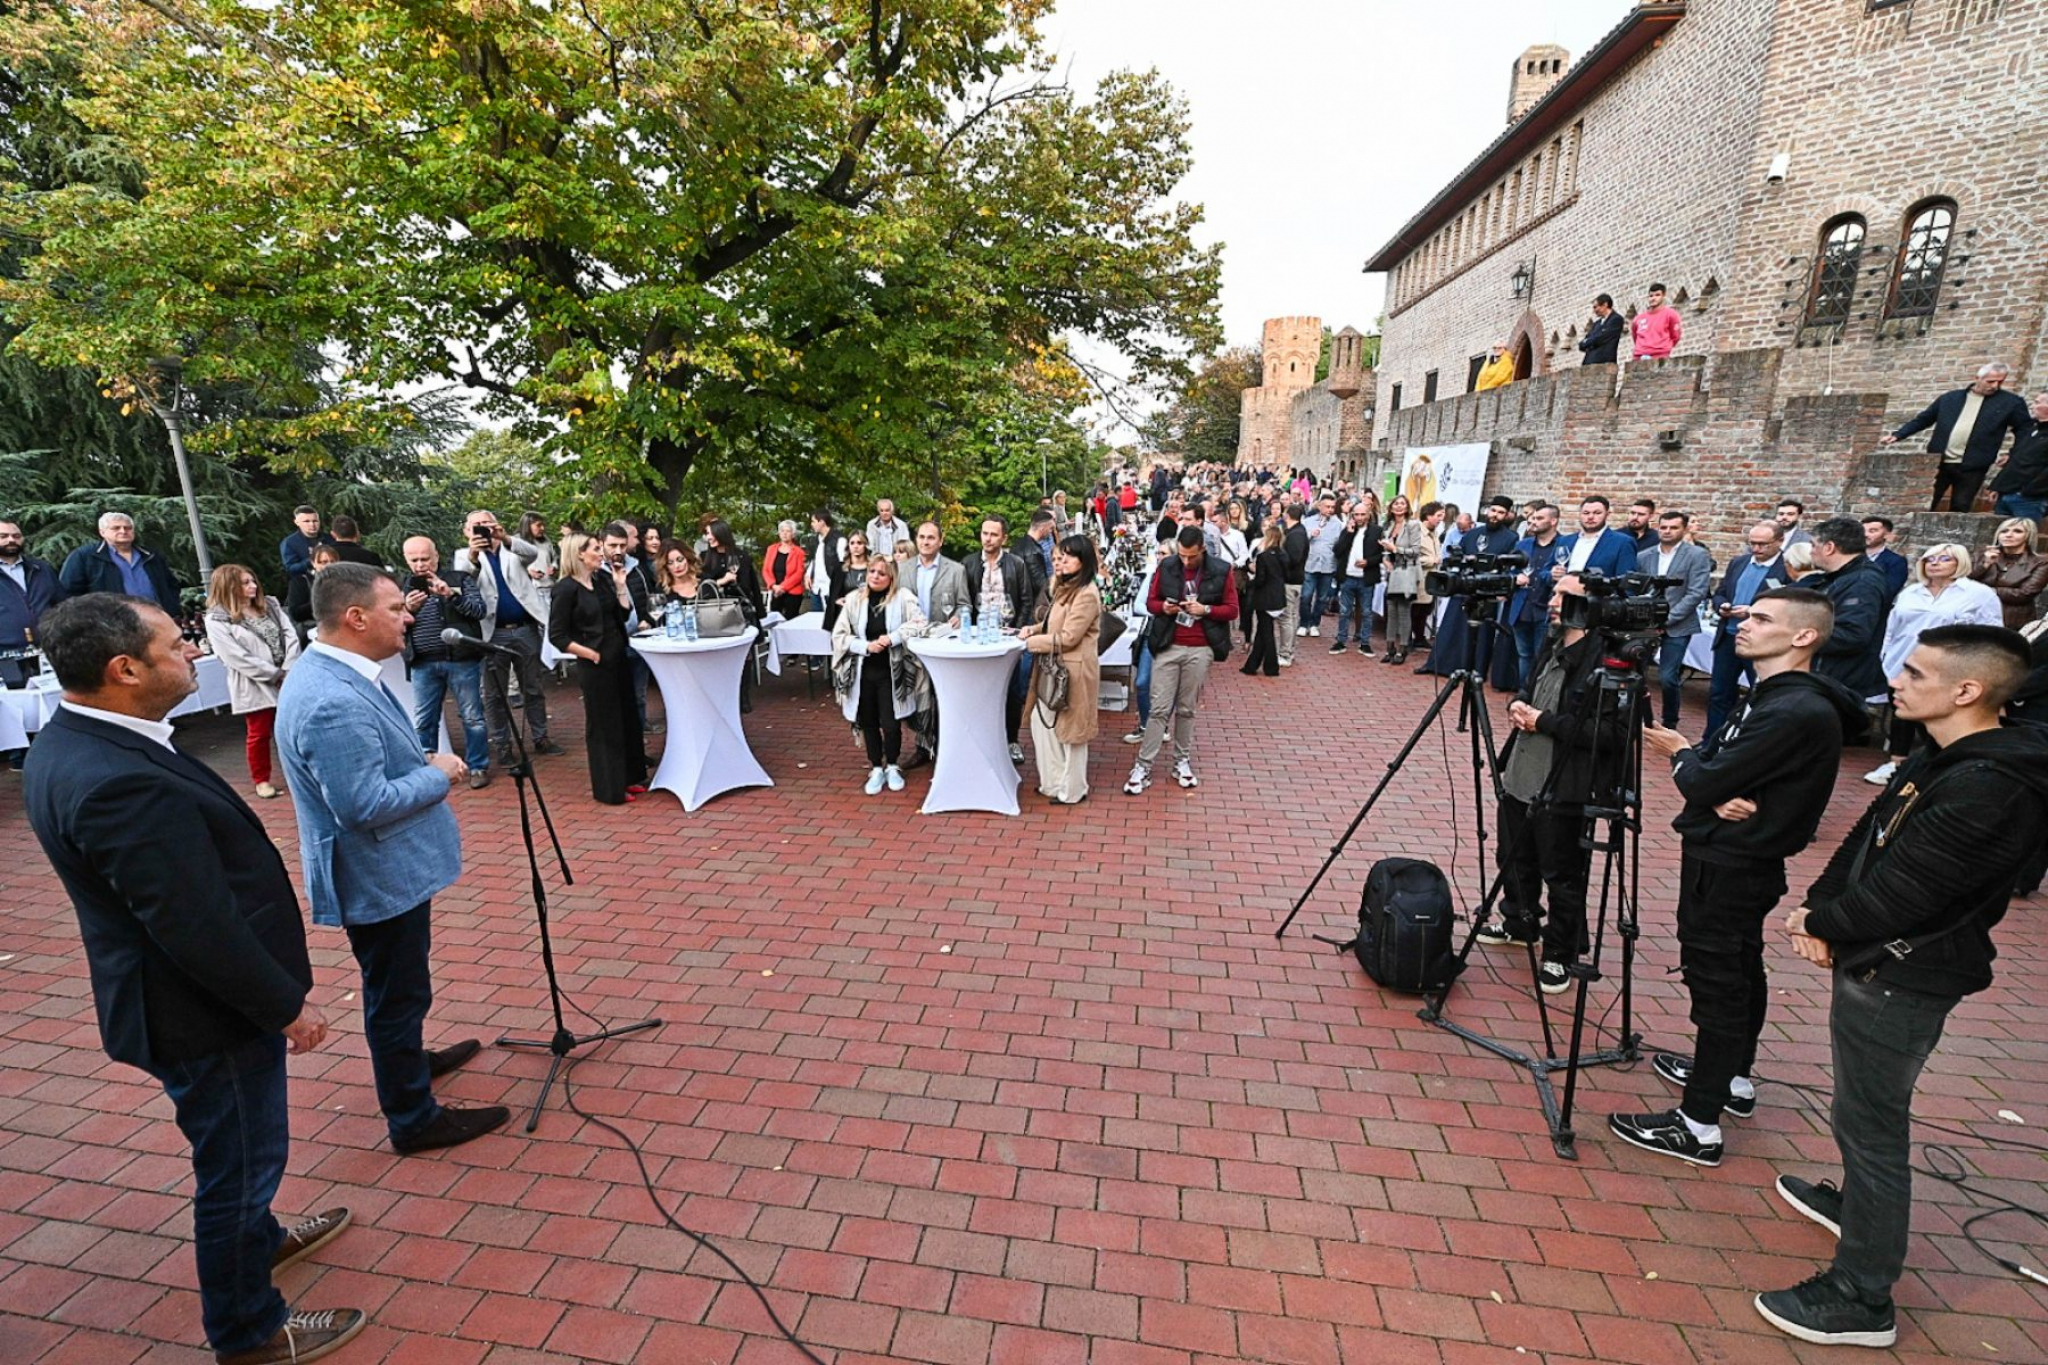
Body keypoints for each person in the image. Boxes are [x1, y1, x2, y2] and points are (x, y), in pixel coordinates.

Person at [23, 594, 366, 1365]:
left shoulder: (83, 736)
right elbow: (193, 923)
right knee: (238, 1165)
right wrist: (285, 1008)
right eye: (180, 646)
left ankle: (264, 1238)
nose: (194, 656)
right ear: (125, 668)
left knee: (241, 1156)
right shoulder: (116, 778)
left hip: (184, 1000)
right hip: (201, 1015)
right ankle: (247, 1327)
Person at [1757, 626, 2048, 1348]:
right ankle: (1855, 1202)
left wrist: (1826, 923)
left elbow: (1907, 894)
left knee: (1872, 1124)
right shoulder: (1944, 752)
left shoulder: (1989, 784)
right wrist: (1816, 907)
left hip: (1905, 973)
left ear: (1967, 690)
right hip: (1875, 957)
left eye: (1915, 672)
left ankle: (1862, 1293)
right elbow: (1870, 834)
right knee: (1862, 1111)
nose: (1898, 679)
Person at [1608, 588, 1857, 1167]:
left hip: (1735, 864)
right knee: (1741, 965)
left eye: (1761, 619)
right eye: (1748, 614)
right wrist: (1712, 780)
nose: (1742, 624)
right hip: (1730, 856)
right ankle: (1732, 1078)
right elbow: (1719, 773)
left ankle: (1697, 1124)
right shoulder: (1771, 695)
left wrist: (1680, 753)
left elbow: (1702, 778)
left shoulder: (1795, 709)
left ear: (1803, 636)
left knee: (1719, 980)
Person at [276, 563, 508, 1155]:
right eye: (395, 610)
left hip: (385, 866)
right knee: (396, 992)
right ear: (355, 618)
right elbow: (362, 804)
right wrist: (436, 775)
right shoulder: (330, 697)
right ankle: (412, 1115)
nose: (409, 618)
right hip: (375, 871)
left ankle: (410, 1061)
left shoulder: (340, 672)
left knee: (402, 986)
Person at [1474, 573, 1629, 992]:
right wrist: (1518, 705)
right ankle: (1520, 922)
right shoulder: (1552, 642)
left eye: (1566, 595)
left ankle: (1561, 953)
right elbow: (1528, 690)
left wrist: (1545, 721)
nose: (1553, 601)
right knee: (1514, 855)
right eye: (1555, 593)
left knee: (1560, 871)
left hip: (1565, 784)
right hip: (1523, 772)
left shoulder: (1606, 661)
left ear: (1592, 607)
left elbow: (1613, 735)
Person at [1866, 542, 2005, 785]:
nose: (1935, 563)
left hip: (1948, 664)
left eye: (1944, 559)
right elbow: (1893, 627)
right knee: (1902, 712)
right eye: (1930, 559)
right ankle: (1896, 762)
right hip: (1903, 660)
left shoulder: (1978, 594)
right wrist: (1887, 656)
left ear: (1959, 562)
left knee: (1936, 713)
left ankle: (1938, 762)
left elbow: (1991, 632)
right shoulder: (1911, 592)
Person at [1124, 525, 1237, 794]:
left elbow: (1232, 609)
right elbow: (1151, 602)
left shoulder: (1221, 570)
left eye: (1192, 556)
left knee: (1187, 708)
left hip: (1200, 646)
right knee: (1159, 708)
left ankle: (1181, 760)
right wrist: (1164, 607)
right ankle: (1143, 765)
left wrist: (1206, 609)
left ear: (1202, 550)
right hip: (1169, 643)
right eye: (1183, 556)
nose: (1186, 561)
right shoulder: (1167, 566)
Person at [548, 532, 650, 805]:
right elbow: (557, 636)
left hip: (618, 656)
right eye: (595, 548)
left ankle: (630, 777)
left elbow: (623, 615)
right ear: (579, 553)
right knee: (605, 727)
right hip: (595, 665)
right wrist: (589, 654)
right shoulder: (566, 589)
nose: (601, 552)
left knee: (628, 719)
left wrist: (619, 586)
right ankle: (610, 789)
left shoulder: (602, 579)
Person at [454, 509, 562, 765]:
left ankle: (541, 736)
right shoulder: (463, 555)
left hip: (524, 628)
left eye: (487, 523)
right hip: (492, 633)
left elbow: (533, 554)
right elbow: (463, 580)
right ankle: (503, 744)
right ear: (467, 531)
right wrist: (473, 554)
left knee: (533, 687)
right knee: (495, 694)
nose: (483, 528)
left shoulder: (510, 548)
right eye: (476, 525)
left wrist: (505, 538)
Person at [399, 535, 492, 789]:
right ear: (406, 560)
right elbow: (392, 623)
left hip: (461, 660)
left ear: (437, 556)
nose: (420, 565)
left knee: (472, 716)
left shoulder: (459, 579)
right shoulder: (402, 586)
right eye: (414, 560)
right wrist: (407, 609)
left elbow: (479, 610)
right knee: (424, 719)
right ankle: (425, 769)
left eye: (425, 558)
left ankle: (478, 766)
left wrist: (451, 595)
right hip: (422, 663)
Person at [830, 558, 929, 794]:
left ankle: (893, 765)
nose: (875, 576)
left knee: (891, 722)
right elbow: (839, 635)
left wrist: (893, 637)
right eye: (872, 571)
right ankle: (876, 766)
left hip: (891, 672)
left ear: (891, 577)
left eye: (881, 573)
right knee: (868, 721)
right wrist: (864, 646)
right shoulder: (855, 599)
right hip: (863, 670)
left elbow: (920, 622)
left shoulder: (903, 597)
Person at [203, 564, 302, 800]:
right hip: (254, 683)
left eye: (252, 581)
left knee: (292, 729)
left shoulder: (270, 605)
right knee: (259, 732)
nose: (253, 586)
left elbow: (289, 635)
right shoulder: (218, 619)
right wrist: (273, 674)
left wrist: (288, 667)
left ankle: (300, 773)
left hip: (286, 675)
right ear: (228, 587)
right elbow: (234, 656)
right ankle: (262, 779)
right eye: (245, 583)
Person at [1882, 363, 2031, 512]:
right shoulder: (1950, 398)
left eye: (2000, 382)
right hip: (1939, 461)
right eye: (1990, 381)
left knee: (1961, 505)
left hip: (1974, 465)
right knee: (1927, 502)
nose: (1995, 386)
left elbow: (2024, 430)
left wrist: (2012, 454)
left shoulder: (2011, 403)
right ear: (1977, 378)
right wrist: (1899, 435)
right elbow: (1924, 419)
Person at [1020, 535, 1102, 804]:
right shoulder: (1063, 587)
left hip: (1074, 670)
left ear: (1084, 561)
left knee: (1073, 732)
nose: (1062, 560)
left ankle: (1072, 790)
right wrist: (1032, 630)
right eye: (1059, 555)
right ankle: (1053, 783)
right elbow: (1051, 625)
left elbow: (1069, 637)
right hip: (1054, 668)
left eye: (1069, 556)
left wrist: (1031, 644)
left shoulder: (1087, 593)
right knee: (1041, 721)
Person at [1704, 523, 1792, 742]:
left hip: (1761, 643)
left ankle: (1744, 744)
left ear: (1780, 541)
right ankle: (1711, 741)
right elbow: (1721, 593)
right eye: (1752, 543)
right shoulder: (1739, 562)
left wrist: (1753, 611)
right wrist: (1722, 605)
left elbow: (1789, 605)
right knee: (1719, 694)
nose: (1756, 548)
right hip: (1729, 638)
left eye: (1763, 544)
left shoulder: (1787, 569)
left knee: (1758, 696)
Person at [967, 515, 1041, 765]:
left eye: (993, 534)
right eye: (984, 533)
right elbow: (965, 602)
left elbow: (1026, 600)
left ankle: (1011, 741)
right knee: (980, 689)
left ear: (1003, 538)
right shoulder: (968, 563)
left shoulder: (1016, 564)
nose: (987, 538)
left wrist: (1017, 632)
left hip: (1008, 636)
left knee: (1013, 690)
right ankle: (983, 740)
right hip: (979, 637)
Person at [1421, 495, 1520, 677]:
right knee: (1452, 627)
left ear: (1506, 515)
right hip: (1465, 587)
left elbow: (1508, 565)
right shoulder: (1474, 533)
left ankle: (1474, 669)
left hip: (1486, 591)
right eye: (1493, 510)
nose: (1495, 515)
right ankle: (1440, 665)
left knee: (1480, 634)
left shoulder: (1511, 538)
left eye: (1500, 513)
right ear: (1487, 511)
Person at [1639, 511, 1714, 729]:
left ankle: (1670, 721)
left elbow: (1696, 592)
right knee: (1637, 673)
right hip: (1647, 625)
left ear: (1684, 529)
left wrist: (1668, 619)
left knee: (1668, 677)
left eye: (1673, 527)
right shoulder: (1645, 556)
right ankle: (1640, 716)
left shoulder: (1697, 555)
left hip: (1678, 625)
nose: (1668, 531)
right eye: (1663, 527)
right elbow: (1640, 588)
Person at [1806, 517, 1888, 705]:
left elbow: (1853, 634)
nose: (1811, 552)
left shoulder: (1862, 582)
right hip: (1828, 679)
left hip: (1839, 683)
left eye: (1813, 545)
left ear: (1829, 547)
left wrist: (1797, 634)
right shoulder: (1839, 577)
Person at [59, 510, 182, 614]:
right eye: (116, 528)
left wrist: (171, 607)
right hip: (112, 626)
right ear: (102, 532)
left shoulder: (150, 555)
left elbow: (171, 584)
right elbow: (69, 592)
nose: (123, 531)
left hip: (156, 620)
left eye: (128, 528)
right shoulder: (85, 557)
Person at [1504, 502, 1563, 691]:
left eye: (1539, 518)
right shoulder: (1523, 544)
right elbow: (1509, 571)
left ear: (1553, 521)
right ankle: (1524, 693)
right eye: (1533, 518)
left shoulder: (1564, 545)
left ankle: (1538, 696)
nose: (1533, 522)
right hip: (1522, 608)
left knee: (1542, 655)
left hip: (1547, 609)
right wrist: (1515, 577)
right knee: (1524, 655)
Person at [0, 517, 64, 689]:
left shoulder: (41, 569)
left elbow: (62, 605)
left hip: (46, 653)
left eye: (16, 535)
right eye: (3, 536)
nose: (11, 540)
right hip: (5, 658)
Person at [1970, 517, 2047, 631]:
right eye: (2004, 531)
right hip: (1975, 614)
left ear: (2028, 536)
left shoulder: (2040, 562)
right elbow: (1961, 581)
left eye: (2017, 531)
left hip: (2012, 620)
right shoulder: (1982, 555)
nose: (2009, 535)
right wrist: (1984, 564)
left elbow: (2024, 594)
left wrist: (1988, 590)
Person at [1330, 497, 1382, 656]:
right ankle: (1341, 641)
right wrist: (1347, 533)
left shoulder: (1376, 531)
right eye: (1356, 514)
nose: (1359, 518)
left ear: (1368, 515)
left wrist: (1368, 562)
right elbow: (1337, 551)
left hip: (1366, 577)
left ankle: (1365, 642)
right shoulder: (1347, 530)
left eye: (1362, 514)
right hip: (1348, 577)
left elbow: (1381, 555)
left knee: (1366, 612)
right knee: (1344, 611)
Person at [1988, 390, 2048, 523]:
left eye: (2037, 403)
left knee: (2022, 537)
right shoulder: (2032, 430)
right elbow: (2015, 460)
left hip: (2029, 499)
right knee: (2001, 537)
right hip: (2007, 494)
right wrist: (1998, 487)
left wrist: (2029, 491)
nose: (2032, 406)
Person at [1380, 496, 1425, 666]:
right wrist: (1386, 558)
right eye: (1396, 504)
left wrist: (1395, 549)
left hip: (1407, 569)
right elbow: (1386, 548)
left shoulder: (1413, 525)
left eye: (1402, 504)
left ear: (1407, 508)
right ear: (1391, 508)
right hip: (1394, 570)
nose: (1399, 507)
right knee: (1391, 610)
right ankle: (1389, 647)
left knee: (1404, 611)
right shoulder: (1388, 526)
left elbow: (1415, 551)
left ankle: (1403, 648)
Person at [1240, 523, 1288, 676]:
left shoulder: (1263, 556)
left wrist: (1249, 582)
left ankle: (1271, 667)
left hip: (1265, 598)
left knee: (1266, 634)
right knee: (1262, 632)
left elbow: (1261, 579)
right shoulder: (1283, 555)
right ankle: (1251, 666)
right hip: (1278, 597)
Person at [907, 521, 970, 630]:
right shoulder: (901, 569)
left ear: (940, 541)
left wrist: (959, 616)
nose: (925, 542)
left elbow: (965, 605)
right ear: (916, 539)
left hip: (942, 638)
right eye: (921, 537)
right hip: (908, 638)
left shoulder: (956, 570)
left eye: (931, 538)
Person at [1558, 495, 1637, 580]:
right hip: (1561, 591)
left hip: (1596, 593)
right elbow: (1545, 571)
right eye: (1586, 513)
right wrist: (1552, 574)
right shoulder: (1564, 540)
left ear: (1607, 514)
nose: (1590, 517)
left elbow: (1626, 581)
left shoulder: (1622, 542)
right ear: (1580, 514)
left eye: (1597, 513)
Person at [1298, 493, 1345, 637]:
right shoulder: (1308, 521)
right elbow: (1299, 540)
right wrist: (1310, 534)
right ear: (1320, 506)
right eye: (1327, 506)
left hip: (1328, 565)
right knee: (1306, 595)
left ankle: (1314, 623)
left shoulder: (1338, 524)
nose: (1330, 509)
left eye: (1332, 507)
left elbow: (1341, 544)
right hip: (1310, 563)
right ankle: (1304, 623)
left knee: (1322, 597)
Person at [277, 505, 335, 601]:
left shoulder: (329, 540)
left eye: (315, 521)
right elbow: (290, 569)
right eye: (306, 521)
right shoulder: (290, 543)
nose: (312, 525)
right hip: (305, 589)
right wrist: (312, 559)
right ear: (297, 522)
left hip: (332, 584)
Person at [1278, 501, 1307, 666]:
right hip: (1293, 580)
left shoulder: (1296, 534)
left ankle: (1286, 653)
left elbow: (1294, 557)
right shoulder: (1296, 532)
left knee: (1286, 617)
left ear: (1287, 515)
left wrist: (1279, 560)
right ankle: (1289, 650)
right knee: (1291, 616)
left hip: (1290, 580)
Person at [806, 511, 848, 626]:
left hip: (830, 588)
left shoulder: (839, 540)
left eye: (813, 521)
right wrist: (808, 574)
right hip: (816, 588)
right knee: (815, 622)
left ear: (822, 522)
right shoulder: (816, 539)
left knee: (832, 623)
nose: (812, 524)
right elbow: (814, 559)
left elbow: (843, 565)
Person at [762, 519, 808, 618]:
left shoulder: (799, 552)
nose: (784, 534)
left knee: (790, 622)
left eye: (788, 531)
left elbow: (799, 573)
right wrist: (773, 586)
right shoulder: (771, 549)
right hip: (775, 591)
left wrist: (782, 587)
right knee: (774, 620)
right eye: (782, 531)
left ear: (793, 534)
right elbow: (765, 570)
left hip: (792, 593)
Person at [1861, 516, 1909, 607]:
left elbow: (1888, 592)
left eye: (1872, 531)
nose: (1865, 534)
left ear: (1886, 535)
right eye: (1862, 531)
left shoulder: (1896, 562)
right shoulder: (1850, 556)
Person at [1630, 283, 1682, 360]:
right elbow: (1635, 336)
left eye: (1657, 295)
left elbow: (1675, 336)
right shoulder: (1638, 318)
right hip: (1639, 357)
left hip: (1660, 356)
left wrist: (1663, 348)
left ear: (1663, 296)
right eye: (1651, 296)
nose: (1653, 298)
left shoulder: (1670, 314)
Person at [510, 512, 556, 587]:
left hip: (548, 586)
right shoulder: (515, 541)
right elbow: (510, 566)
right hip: (526, 589)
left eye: (543, 525)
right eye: (538, 525)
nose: (542, 528)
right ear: (527, 525)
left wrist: (554, 567)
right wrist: (528, 572)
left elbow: (554, 558)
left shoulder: (546, 541)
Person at [1578, 294, 1622, 365]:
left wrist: (1588, 341)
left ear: (1605, 305)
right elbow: (1582, 344)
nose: (1594, 310)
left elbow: (1602, 338)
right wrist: (1591, 340)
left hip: (1604, 362)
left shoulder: (1615, 319)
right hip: (1589, 362)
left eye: (1596, 307)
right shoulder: (1596, 324)